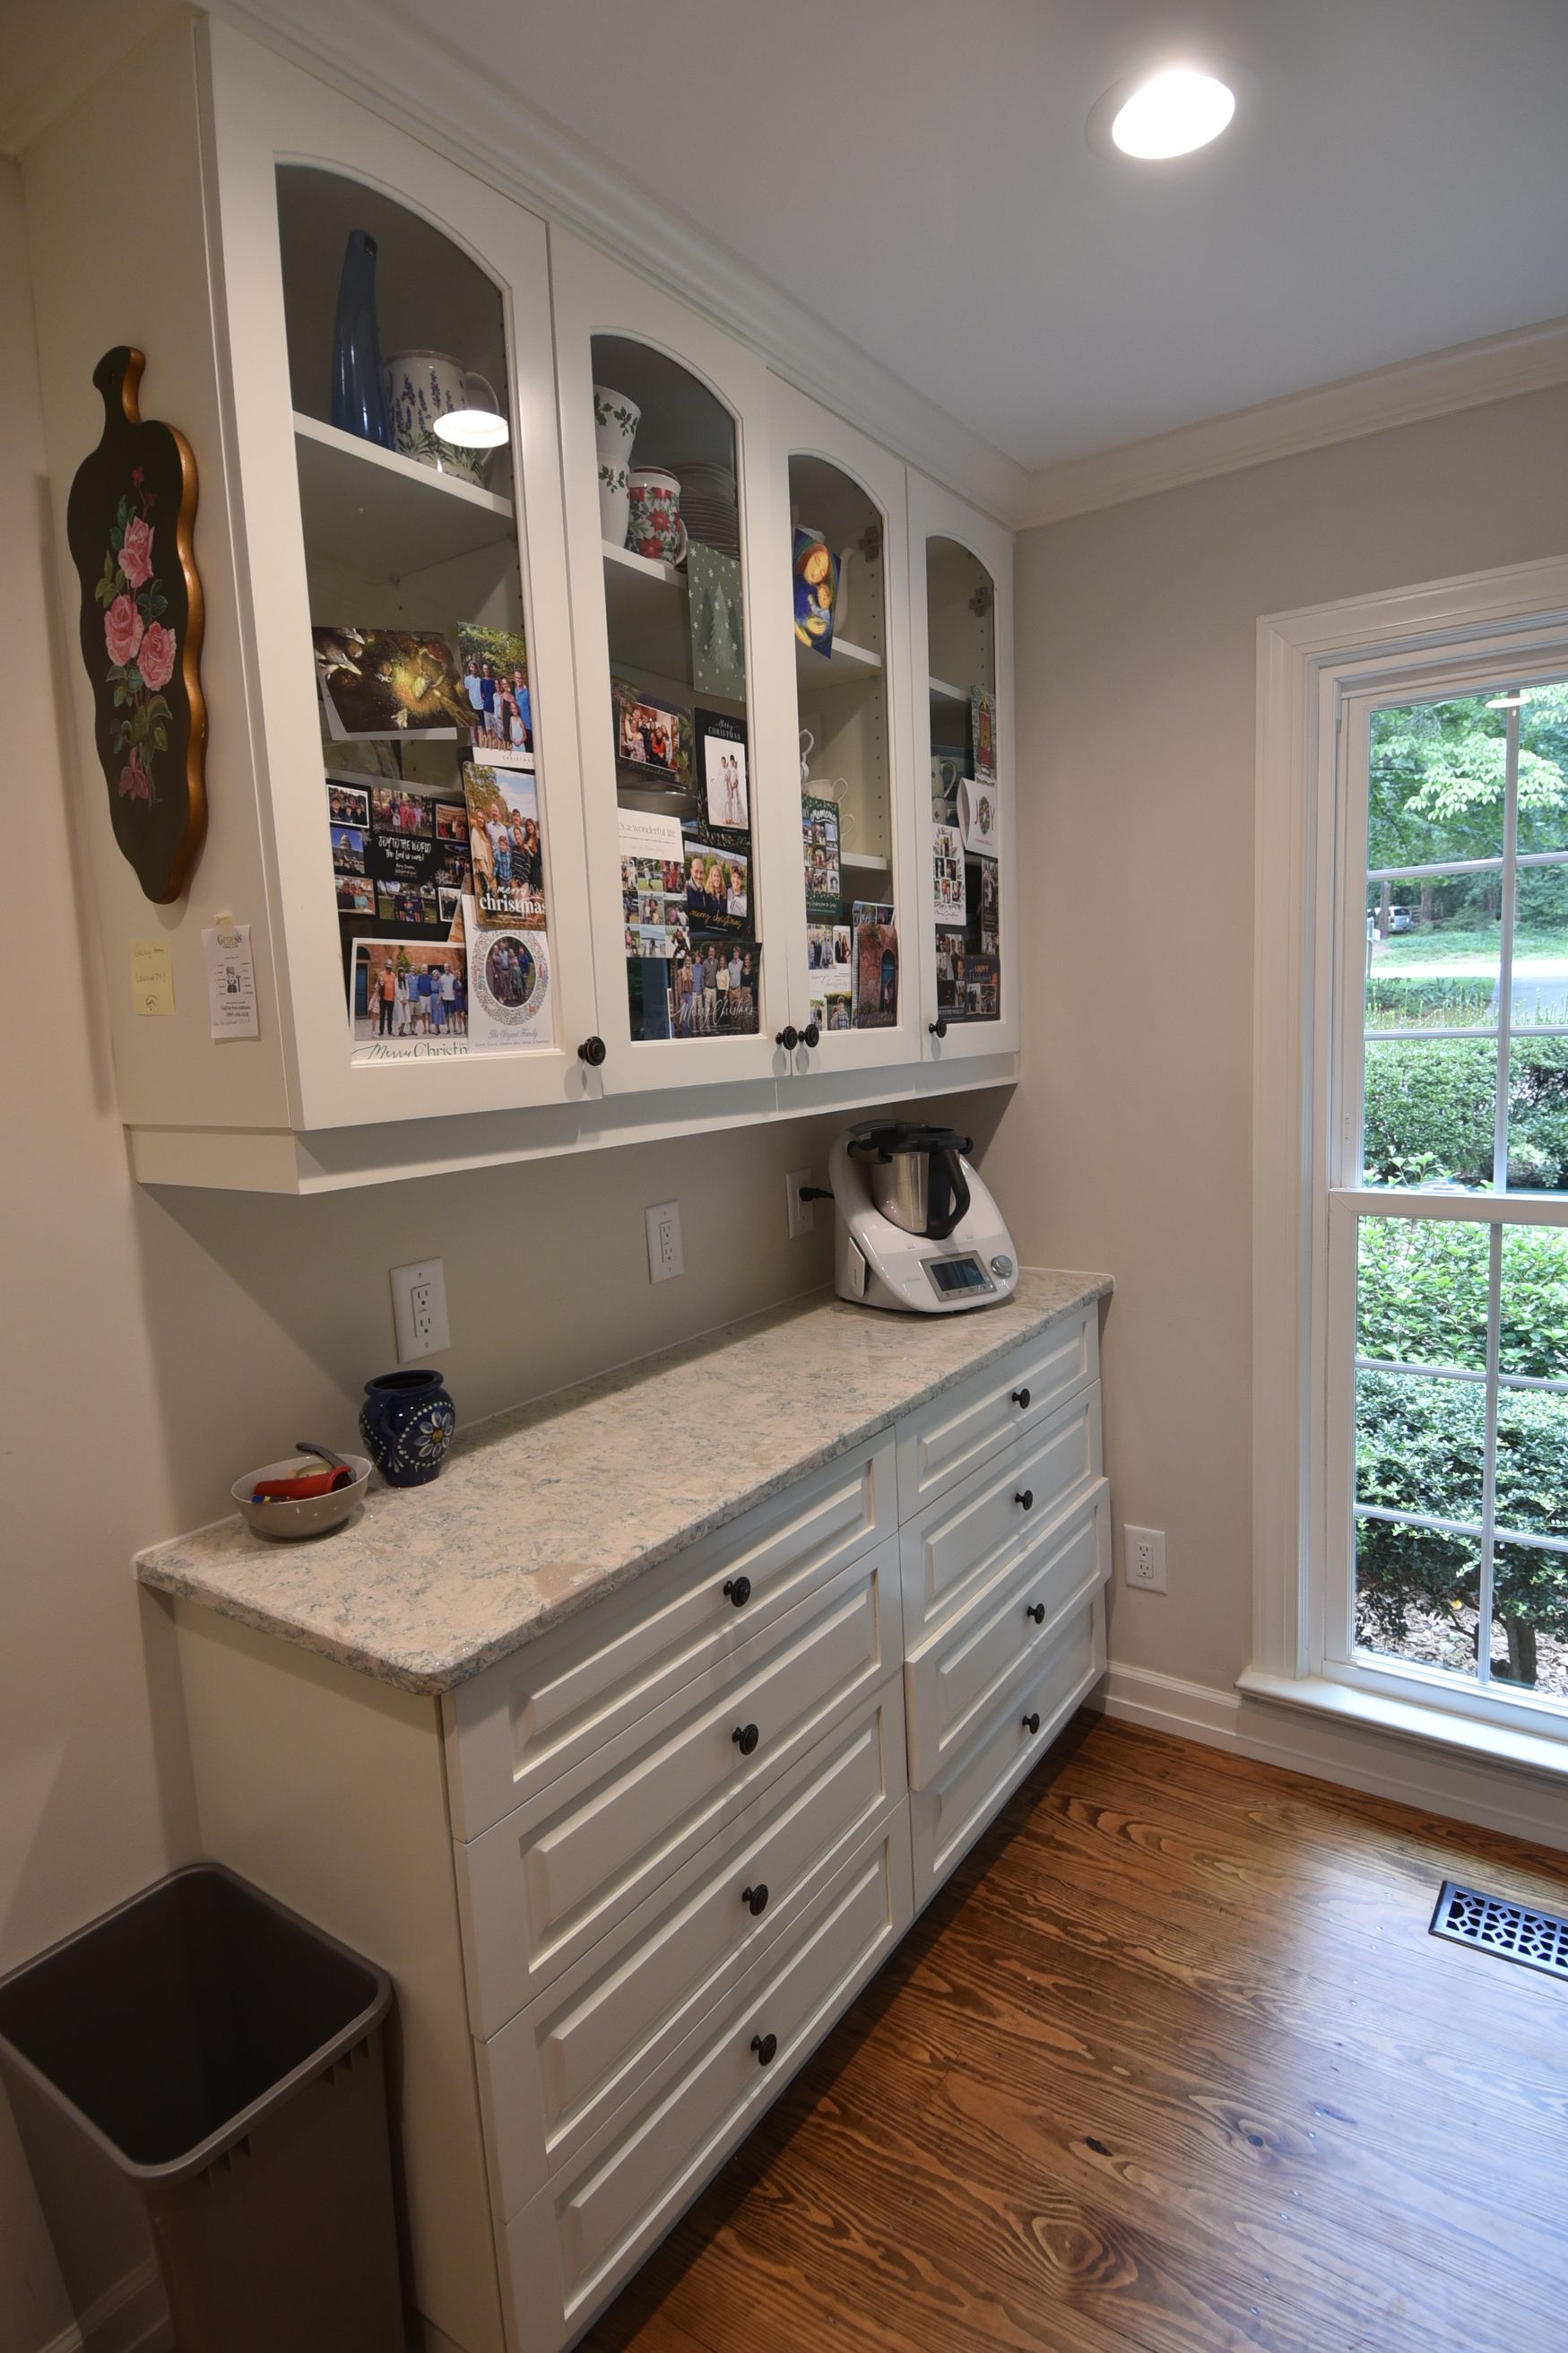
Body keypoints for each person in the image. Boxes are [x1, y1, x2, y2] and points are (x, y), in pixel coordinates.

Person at [376, 958, 396, 1037]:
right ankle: (381, 1031)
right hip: (383, 998)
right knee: (382, 1016)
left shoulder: (394, 975)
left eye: (390, 967)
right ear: (385, 967)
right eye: (388, 967)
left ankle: (390, 1031)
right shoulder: (381, 974)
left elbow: (395, 986)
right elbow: (378, 985)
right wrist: (377, 995)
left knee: (390, 1016)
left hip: (391, 999)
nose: (389, 969)